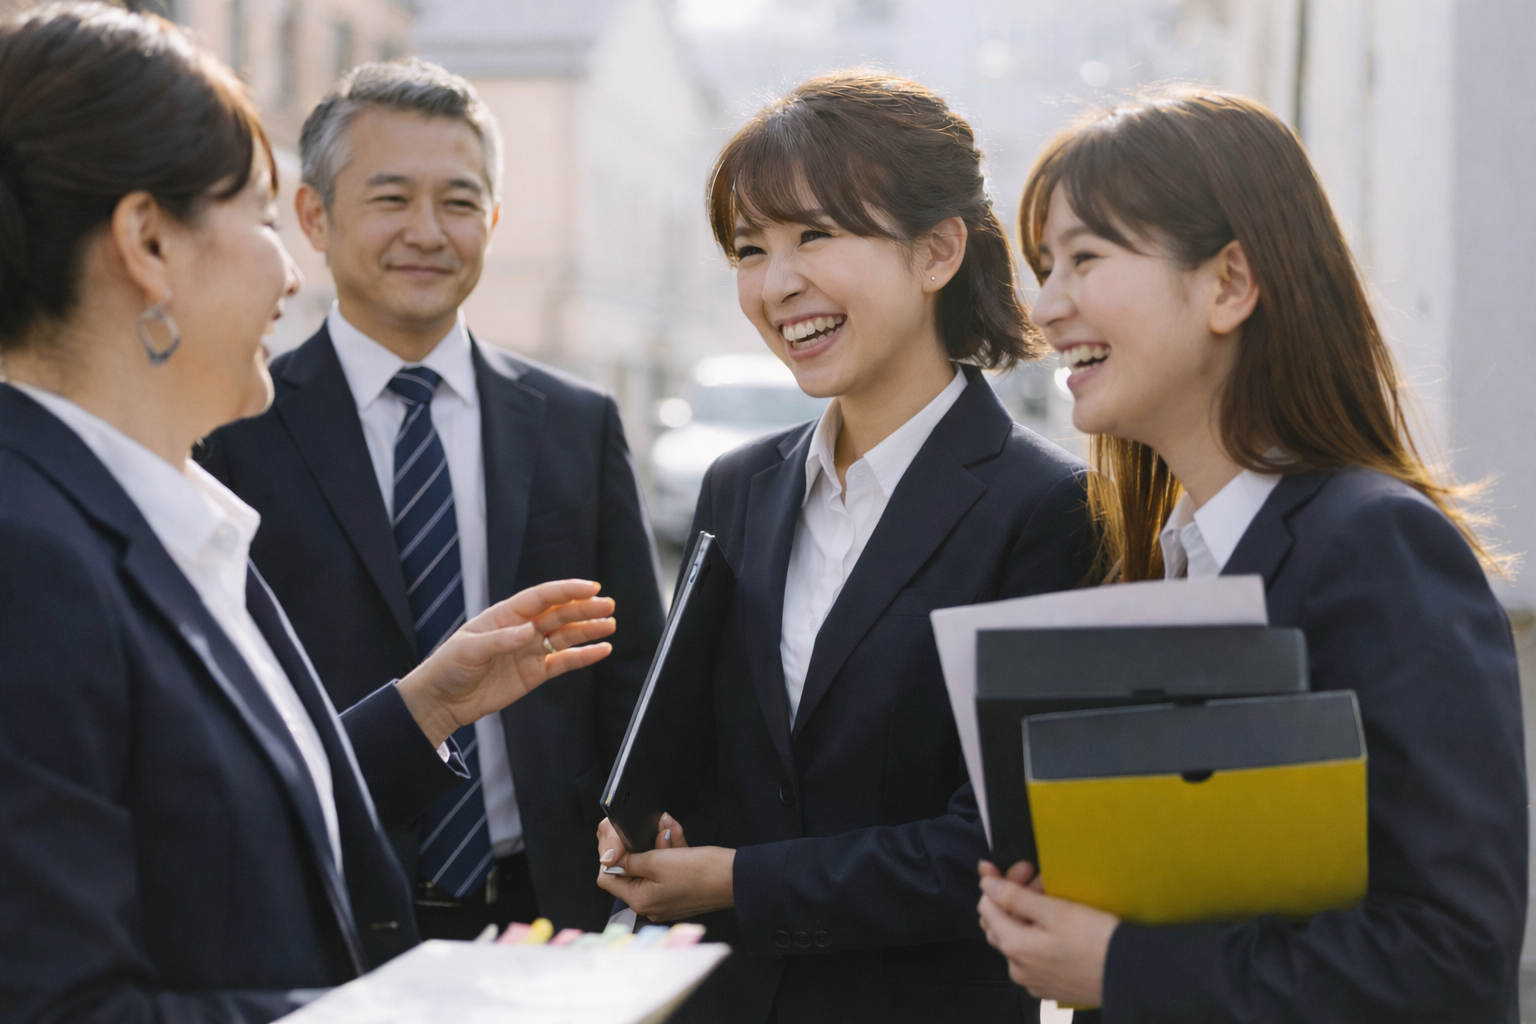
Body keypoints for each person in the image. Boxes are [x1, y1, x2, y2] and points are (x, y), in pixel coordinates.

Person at [0, 6, 618, 1020]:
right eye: (259, 219)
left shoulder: (179, 517)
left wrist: (429, 705)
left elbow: (225, 822)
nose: (291, 275)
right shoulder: (27, 559)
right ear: (148, 244)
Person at [974, 86, 1528, 1022]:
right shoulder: (1173, 560)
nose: (1046, 306)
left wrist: (1121, 966)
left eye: (1084, 258)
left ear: (1229, 283)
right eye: (1043, 265)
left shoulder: (1375, 548)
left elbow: (1451, 956)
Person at [594, 71, 1098, 1023]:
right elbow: (720, 755)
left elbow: (1001, 847)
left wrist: (740, 881)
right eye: (751, 249)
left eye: (816, 235)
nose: (779, 284)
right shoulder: (737, 486)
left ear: (938, 250)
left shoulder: (1048, 509)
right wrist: (656, 829)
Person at [197, 60, 665, 937]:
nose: (427, 231)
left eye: (458, 201)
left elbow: (634, 666)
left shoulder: (576, 421)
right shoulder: (229, 426)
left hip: (546, 913)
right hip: (326, 902)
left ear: (491, 218)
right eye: (389, 199)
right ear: (313, 217)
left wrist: (633, 840)